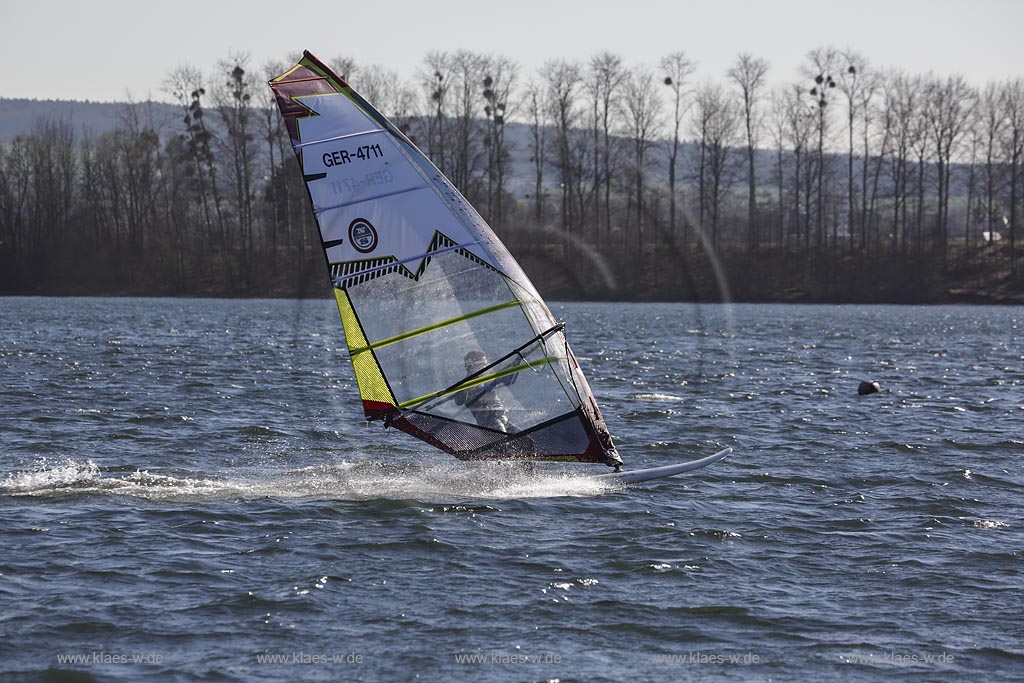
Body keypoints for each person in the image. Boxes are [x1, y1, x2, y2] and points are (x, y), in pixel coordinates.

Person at [454, 350, 517, 433]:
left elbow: (507, 379)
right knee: (504, 441)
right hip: (489, 422)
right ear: (472, 366)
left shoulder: (488, 378)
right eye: (482, 364)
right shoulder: (466, 385)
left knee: (526, 441)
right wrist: (466, 388)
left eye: (485, 363)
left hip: (502, 417)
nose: (485, 366)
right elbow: (458, 401)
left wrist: (517, 361)